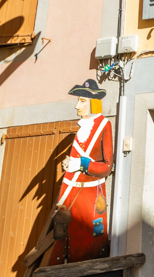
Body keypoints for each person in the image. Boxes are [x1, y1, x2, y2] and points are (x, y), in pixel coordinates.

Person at [49, 78, 114, 264]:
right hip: (71, 195)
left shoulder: (104, 126)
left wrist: (81, 164)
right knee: (64, 245)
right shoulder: (82, 128)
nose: (77, 106)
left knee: (88, 246)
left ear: (93, 103)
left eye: (82, 101)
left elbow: (107, 167)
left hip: (90, 197)